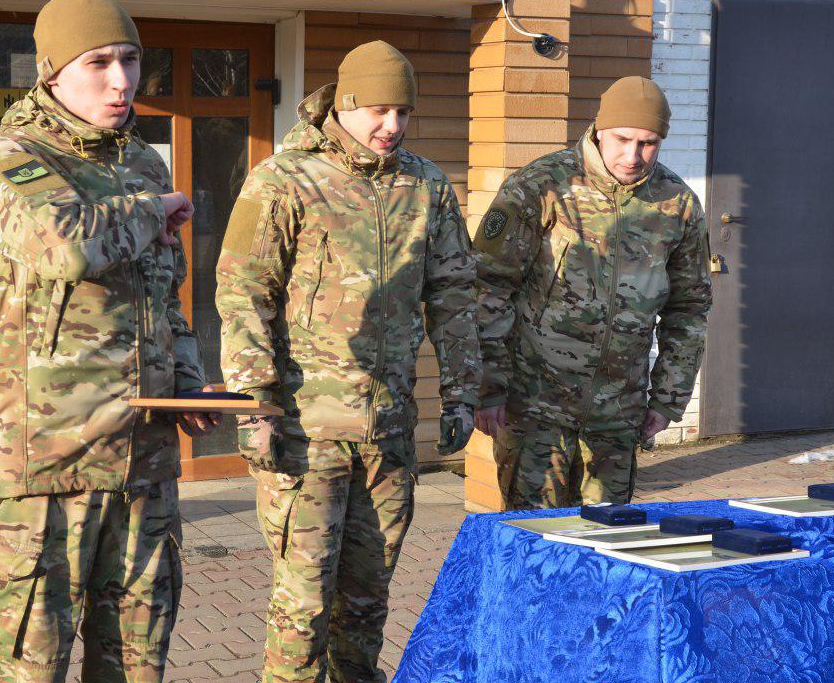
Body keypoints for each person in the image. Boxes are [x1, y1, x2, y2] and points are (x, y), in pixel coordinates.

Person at [0, 0, 219, 683]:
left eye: (131, 60)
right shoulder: (4, 156)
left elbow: (166, 301)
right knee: (33, 671)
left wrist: (188, 379)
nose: (122, 80)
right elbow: (63, 244)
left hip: (142, 467)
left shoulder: (142, 164)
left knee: (137, 668)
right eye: (98, 61)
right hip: (45, 472)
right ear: (51, 72)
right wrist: (151, 208)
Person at [215, 41, 481, 683]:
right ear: (346, 102)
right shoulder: (285, 179)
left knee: (365, 603)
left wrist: (462, 391)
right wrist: (255, 406)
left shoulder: (425, 186)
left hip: (387, 435)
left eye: (405, 113)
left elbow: (453, 295)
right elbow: (243, 291)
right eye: (380, 110)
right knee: (303, 609)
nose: (393, 126)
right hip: (307, 435)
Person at [473, 76, 712, 509]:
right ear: (599, 129)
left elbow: (689, 309)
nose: (633, 155)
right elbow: (488, 289)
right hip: (535, 411)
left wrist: (669, 398)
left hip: (618, 417)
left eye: (648, 143)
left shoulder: (678, 205)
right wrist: (487, 389)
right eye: (622, 139)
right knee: (536, 545)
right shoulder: (542, 186)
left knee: (606, 548)